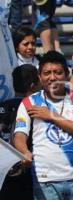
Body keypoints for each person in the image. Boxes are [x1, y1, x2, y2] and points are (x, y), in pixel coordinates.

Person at [13, 51, 73, 200]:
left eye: (57, 73)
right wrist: (24, 152)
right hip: (44, 180)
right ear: (40, 77)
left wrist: (51, 116)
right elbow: (19, 134)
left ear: (67, 75)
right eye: (47, 73)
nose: (52, 77)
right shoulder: (28, 102)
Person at [0, 64, 40, 200]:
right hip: (26, 170)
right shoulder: (34, 108)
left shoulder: (3, 105)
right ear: (33, 85)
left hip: (4, 170)